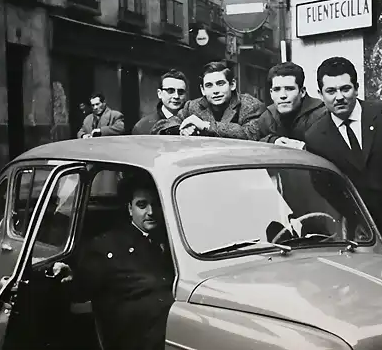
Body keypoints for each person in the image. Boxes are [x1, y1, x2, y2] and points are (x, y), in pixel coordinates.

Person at [304, 57, 382, 266]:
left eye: (345, 88)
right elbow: (323, 187)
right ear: (320, 94)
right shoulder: (315, 137)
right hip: (362, 239)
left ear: (357, 88)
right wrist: (353, 216)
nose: (339, 97)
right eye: (331, 91)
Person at [76, 174, 174, 350]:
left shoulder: (172, 239)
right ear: (130, 209)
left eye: (156, 204)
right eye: (142, 205)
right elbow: (81, 291)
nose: (151, 212)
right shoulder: (108, 245)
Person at [152, 61, 265, 140]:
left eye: (220, 84)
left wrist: (206, 125)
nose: (215, 91)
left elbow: (250, 134)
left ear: (232, 85)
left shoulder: (251, 105)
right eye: (209, 85)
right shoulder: (192, 106)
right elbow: (161, 125)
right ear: (203, 90)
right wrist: (181, 129)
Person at [257, 62, 327, 149]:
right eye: (277, 89)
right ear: (271, 93)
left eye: (289, 89)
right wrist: (272, 141)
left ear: (302, 92)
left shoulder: (322, 116)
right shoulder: (266, 118)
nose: (283, 95)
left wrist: (306, 148)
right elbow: (253, 146)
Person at [132, 70, 189, 135]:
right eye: (170, 91)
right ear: (160, 93)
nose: (176, 96)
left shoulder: (191, 121)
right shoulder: (143, 126)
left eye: (181, 92)